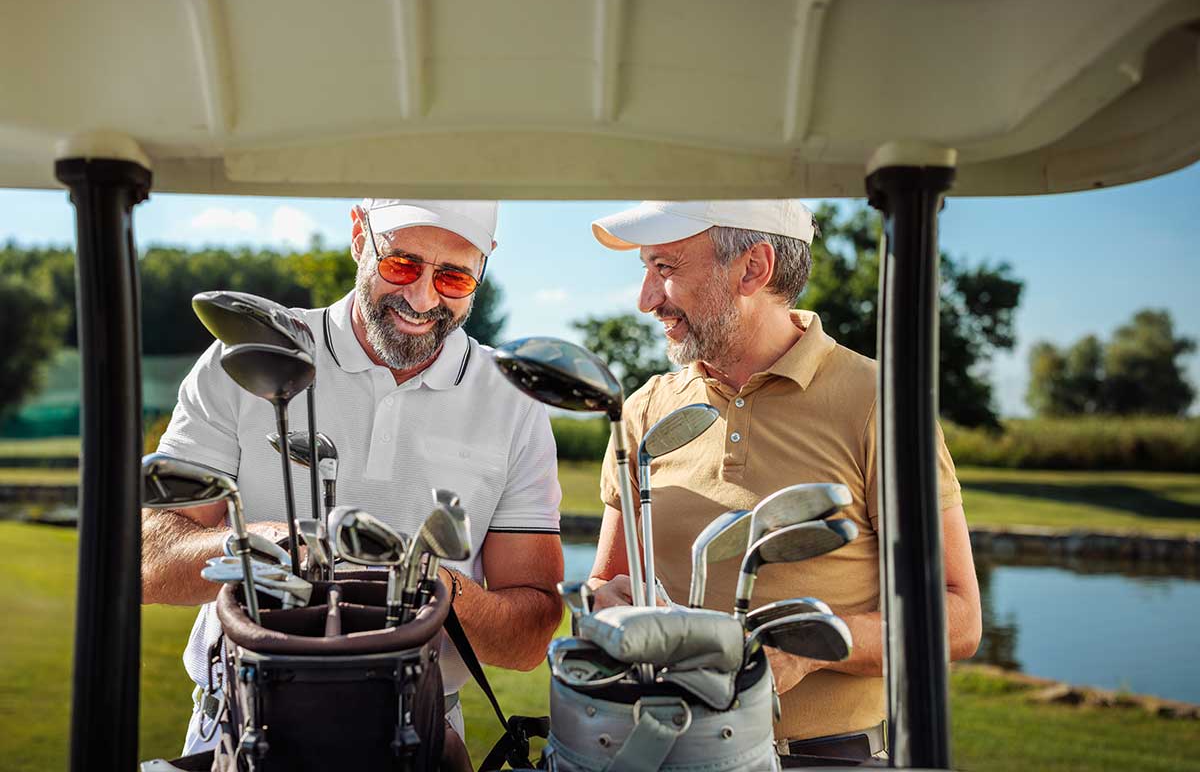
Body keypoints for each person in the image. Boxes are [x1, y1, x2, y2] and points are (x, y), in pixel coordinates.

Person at [142, 199, 564, 754]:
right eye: (403, 264)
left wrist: (422, 581)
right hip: (240, 725)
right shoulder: (252, 354)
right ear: (359, 236)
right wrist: (271, 544)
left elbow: (528, 637)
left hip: (418, 732)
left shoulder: (514, 400)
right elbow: (148, 562)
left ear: (483, 267)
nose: (422, 297)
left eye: (455, 276)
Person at [585, 200, 981, 765]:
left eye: (666, 269)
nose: (646, 300)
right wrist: (609, 603)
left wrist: (807, 647)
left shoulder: (882, 404)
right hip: (656, 751)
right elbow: (608, 580)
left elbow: (958, 617)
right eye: (645, 270)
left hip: (820, 759)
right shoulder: (645, 409)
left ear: (753, 268)